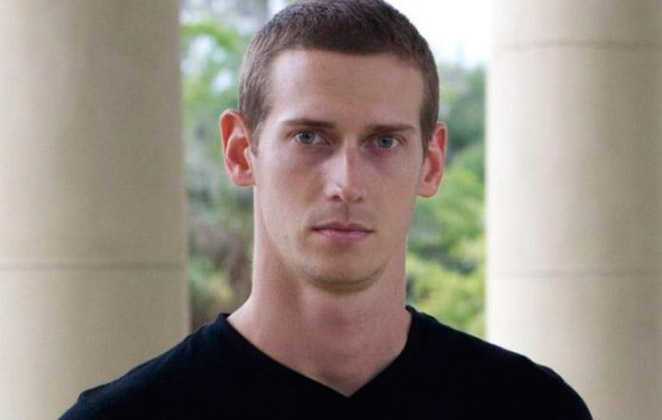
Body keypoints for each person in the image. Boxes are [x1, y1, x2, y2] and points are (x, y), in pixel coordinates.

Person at [60, 0, 593, 419]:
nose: (346, 184)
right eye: (310, 137)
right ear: (241, 151)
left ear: (431, 163)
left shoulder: (532, 408)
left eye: (384, 142)